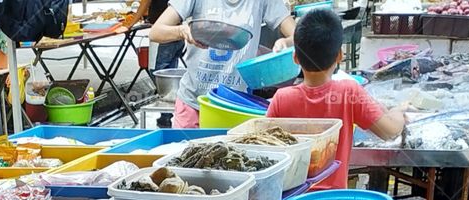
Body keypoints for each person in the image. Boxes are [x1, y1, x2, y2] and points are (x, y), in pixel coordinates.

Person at [267, 7, 405, 188]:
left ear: (295, 58)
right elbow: (390, 131)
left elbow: (266, 150)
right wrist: (398, 112)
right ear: (339, 56)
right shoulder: (349, 92)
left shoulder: (281, 98)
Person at [149, 0, 294, 128]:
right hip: (192, 101)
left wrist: (285, 42)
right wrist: (181, 31)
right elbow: (156, 32)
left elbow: (297, 34)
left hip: (234, 106)